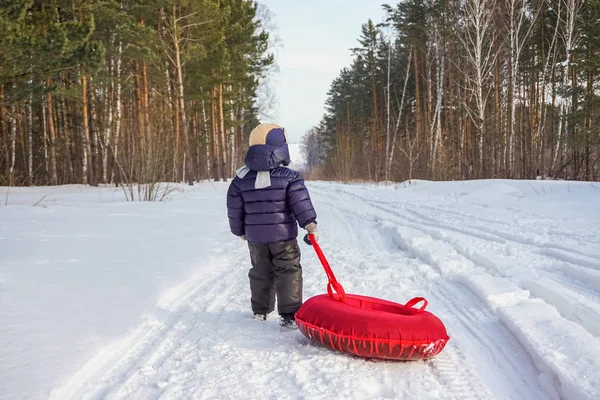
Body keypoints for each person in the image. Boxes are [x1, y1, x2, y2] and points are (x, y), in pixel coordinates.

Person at [226, 123, 318, 329]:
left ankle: (260, 310)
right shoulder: (290, 178)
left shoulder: (240, 180)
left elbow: (234, 208)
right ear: (280, 147)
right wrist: (310, 224)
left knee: (260, 271)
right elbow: (300, 204)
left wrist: (239, 230)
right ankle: (289, 315)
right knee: (289, 271)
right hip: (283, 237)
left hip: (256, 238)